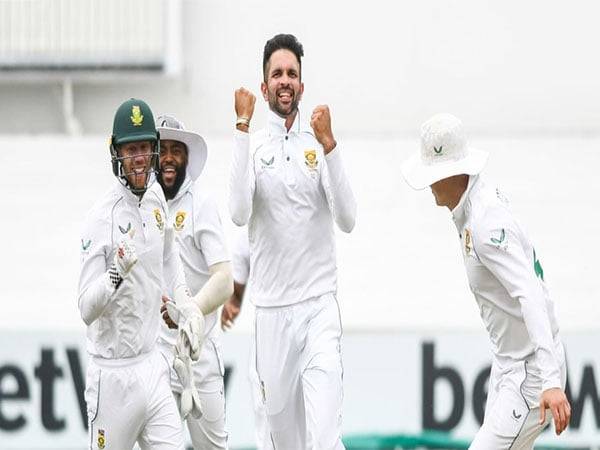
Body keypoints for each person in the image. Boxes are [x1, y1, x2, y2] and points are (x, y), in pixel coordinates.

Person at [400, 113, 571, 449]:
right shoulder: (474, 207)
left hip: (531, 375)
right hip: (510, 367)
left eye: (433, 175)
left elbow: (530, 294)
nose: (430, 185)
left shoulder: (484, 223)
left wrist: (550, 381)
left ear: (453, 173)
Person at [229, 33, 357, 449]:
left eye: (292, 74)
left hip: (318, 307)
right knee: (284, 441)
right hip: (270, 314)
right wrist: (241, 128)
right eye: (277, 74)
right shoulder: (252, 144)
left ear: (302, 84)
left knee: (324, 437)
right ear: (264, 87)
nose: (286, 81)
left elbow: (348, 219)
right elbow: (237, 213)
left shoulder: (318, 142)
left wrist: (331, 146)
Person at [78, 99, 203, 449]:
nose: (139, 157)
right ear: (116, 152)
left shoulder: (155, 199)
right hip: (112, 376)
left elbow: (169, 256)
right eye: (131, 148)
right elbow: (86, 308)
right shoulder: (101, 218)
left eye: (145, 147)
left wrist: (186, 303)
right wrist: (115, 274)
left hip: (152, 367)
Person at [155, 114, 233, 449]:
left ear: (187, 158)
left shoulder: (202, 204)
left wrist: (189, 313)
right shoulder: (144, 207)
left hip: (199, 359)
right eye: (162, 149)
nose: (169, 157)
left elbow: (225, 280)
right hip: (156, 361)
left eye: (177, 149)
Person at [220, 227, 271, 450]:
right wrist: (230, 305)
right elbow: (236, 293)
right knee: (265, 411)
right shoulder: (246, 236)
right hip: (266, 337)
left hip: (306, 333)